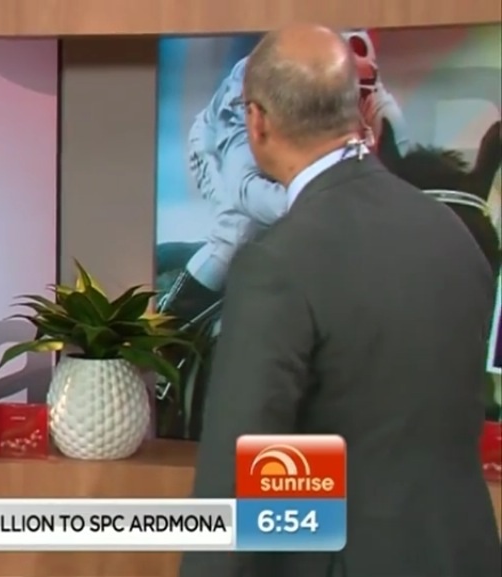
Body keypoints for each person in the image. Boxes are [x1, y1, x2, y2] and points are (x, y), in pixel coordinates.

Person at [181, 24, 501, 577]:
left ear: (256, 121)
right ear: (356, 111)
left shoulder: (277, 263)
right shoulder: (453, 233)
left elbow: (242, 475)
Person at [159, 29, 409, 322]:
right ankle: (168, 325)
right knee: (237, 234)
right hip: (220, 148)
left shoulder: (372, 94)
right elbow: (244, 190)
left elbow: (405, 172)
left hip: (295, 155)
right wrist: (325, 205)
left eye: (357, 96)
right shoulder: (247, 92)